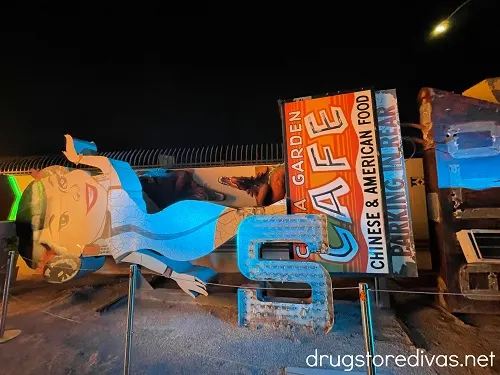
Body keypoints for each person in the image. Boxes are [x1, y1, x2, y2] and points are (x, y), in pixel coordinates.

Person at [16, 135, 286, 297]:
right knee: (245, 220)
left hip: (187, 221)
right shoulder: (114, 241)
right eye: (63, 219)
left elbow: (113, 165)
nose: (73, 197)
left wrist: (81, 158)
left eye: (63, 186)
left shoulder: (115, 195)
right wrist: (177, 275)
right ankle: (281, 216)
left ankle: (282, 214)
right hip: (185, 238)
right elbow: (142, 257)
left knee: (246, 217)